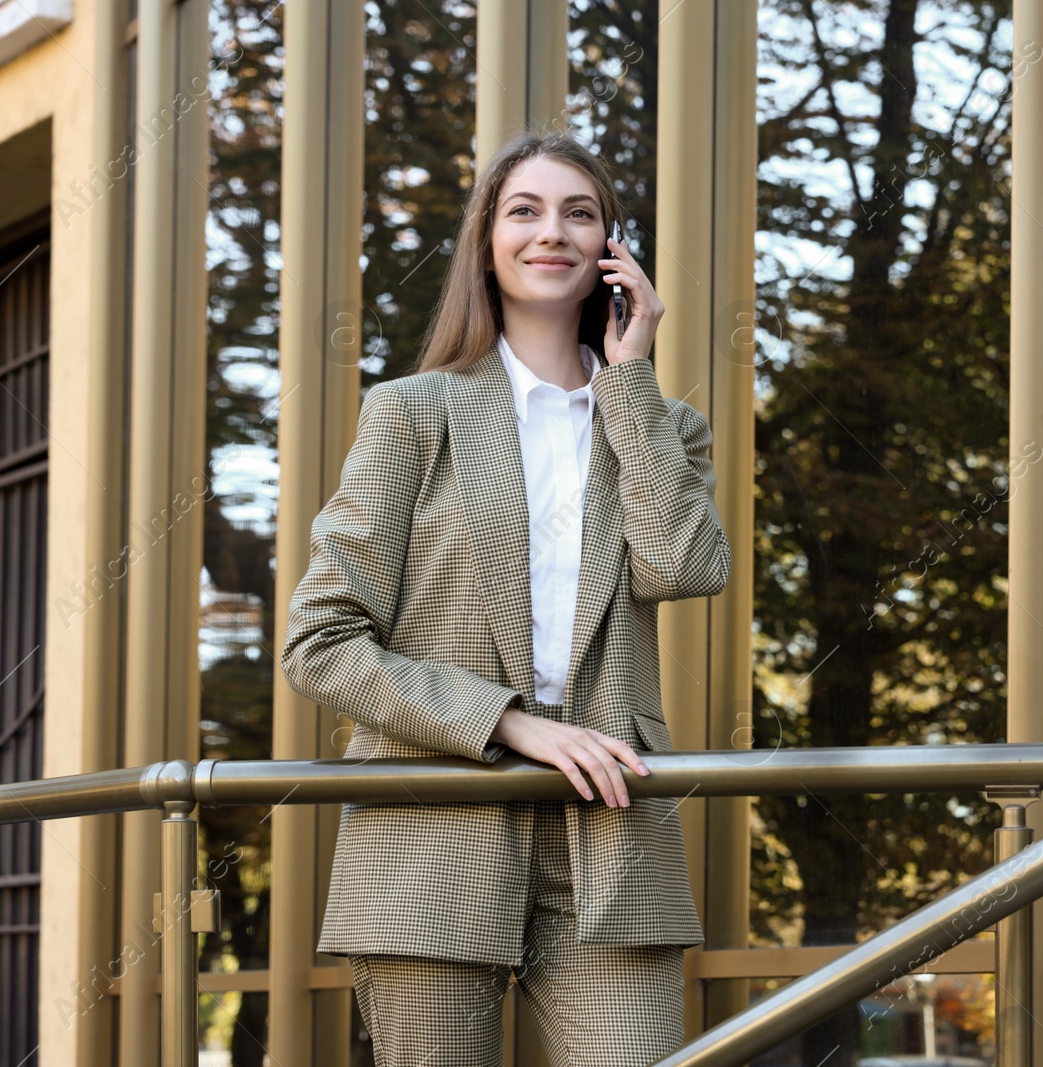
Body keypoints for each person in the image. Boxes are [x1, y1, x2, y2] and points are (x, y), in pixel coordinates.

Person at [281, 125, 732, 1066]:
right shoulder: (414, 412)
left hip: (609, 831)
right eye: (523, 211)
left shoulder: (662, 423)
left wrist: (633, 377)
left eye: (580, 213)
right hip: (435, 824)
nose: (551, 232)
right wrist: (513, 723)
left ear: (612, 246)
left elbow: (683, 568)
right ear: (488, 241)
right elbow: (321, 640)